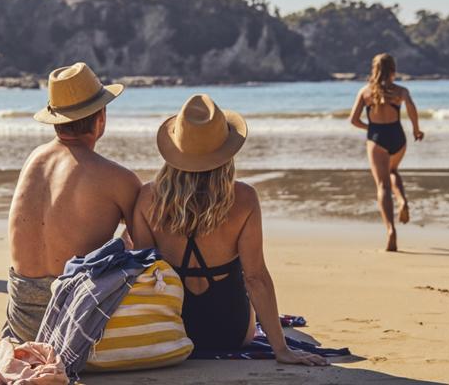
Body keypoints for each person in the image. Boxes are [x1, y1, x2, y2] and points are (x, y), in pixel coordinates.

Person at [131, 94, 327, 366]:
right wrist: (281, 349)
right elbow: (256, 277)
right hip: (230, 330)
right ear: (227, 151)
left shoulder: (147, 198)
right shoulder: (244, 198)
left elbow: (145, 273)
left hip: (174, 328)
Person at [2, 62, 142, 343]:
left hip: (21, 322)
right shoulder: (117, 178)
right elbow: (149, 239)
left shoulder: (34, 160)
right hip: (73, 323)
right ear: (100, 116)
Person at [349, 53, 424, 251]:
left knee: (382, 185)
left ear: (374, 69)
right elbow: (411, 107)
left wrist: (372, 129)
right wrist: (416, 129)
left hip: (377, 139)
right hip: (398, 137)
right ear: (393, 70)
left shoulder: (365, 92)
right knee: (393, 171)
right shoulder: (401, 91)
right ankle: (402, 200)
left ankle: (390, 230)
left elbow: (353, 120)